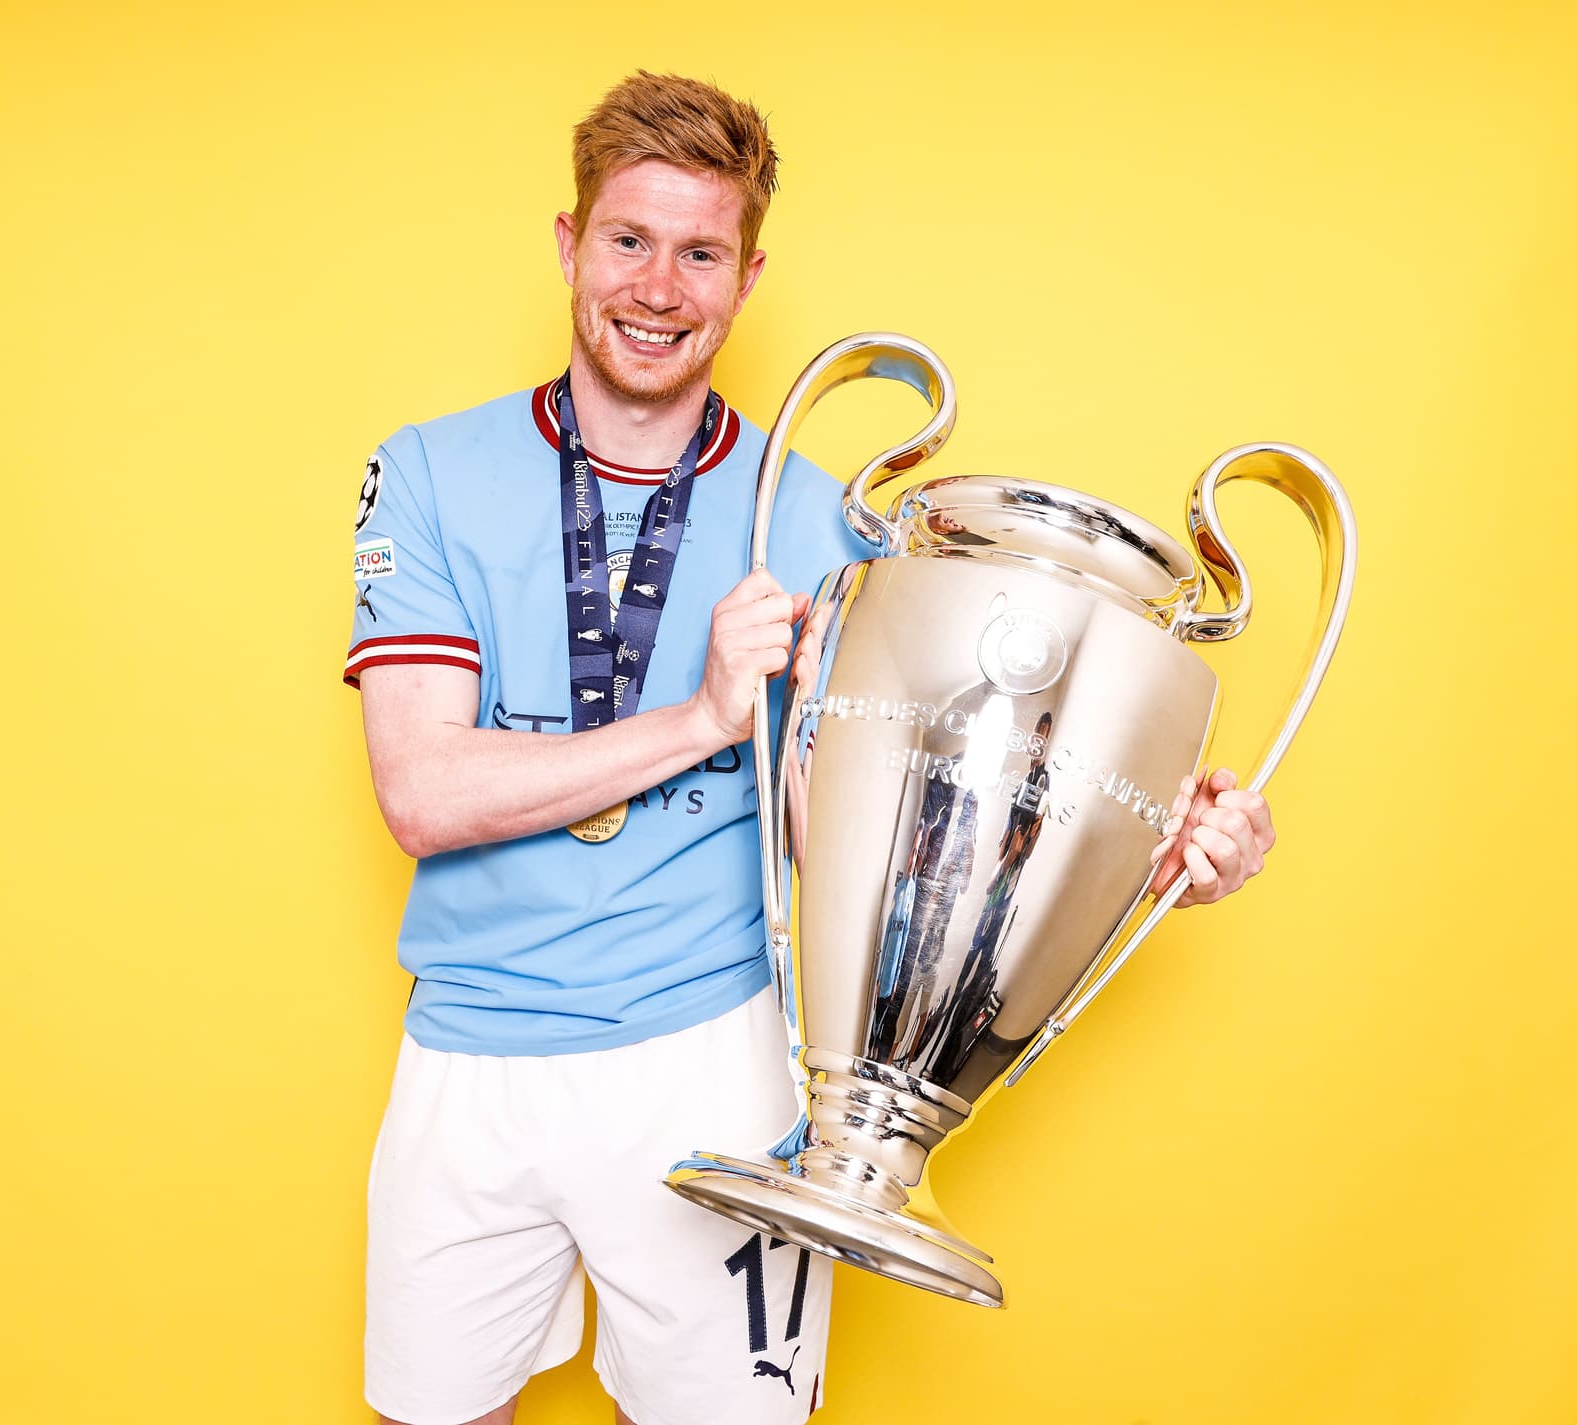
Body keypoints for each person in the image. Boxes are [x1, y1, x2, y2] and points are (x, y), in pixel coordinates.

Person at [344, 71, 1278, 1425]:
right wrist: (701, 719)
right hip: (469, 1054)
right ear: (568, 242)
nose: (657, 287)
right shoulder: (430, 473)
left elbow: (949, 820)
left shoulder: (842, 527)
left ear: (748, 276)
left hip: (715, 1058)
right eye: (627, 239)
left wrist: (1149, 845)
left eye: (701, 253)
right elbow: (423, 792)